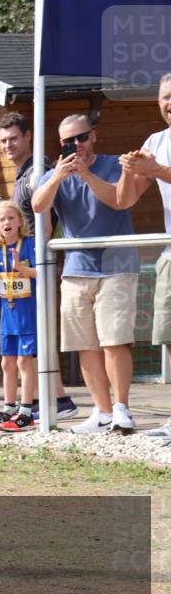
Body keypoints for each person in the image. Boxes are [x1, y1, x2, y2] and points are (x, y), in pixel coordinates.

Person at [32, 114, 139, 434]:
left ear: (94, 136)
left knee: (115, 340)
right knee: (84, 343)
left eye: (81, 138)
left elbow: (119, 202)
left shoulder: (114, 165)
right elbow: (38, 206)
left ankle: (121, 408)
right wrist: (56, 178)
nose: (75, 145)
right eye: (68, 142)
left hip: (116, 265)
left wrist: (86, 174)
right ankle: (102, 412)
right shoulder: (54, 174)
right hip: (77, 268)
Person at [0, 111, 79, 421]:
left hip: (36, 262)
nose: (8, 145)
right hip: (23, 264)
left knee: (34, 332)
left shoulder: (36, 172)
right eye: (3, 141)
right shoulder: (22, 173)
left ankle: (43, 402)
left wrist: (38, 260)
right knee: (37, 332)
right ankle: (58, 399)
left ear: (29, 136)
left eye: (14, 138)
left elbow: (45, 220)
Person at [114, 72, 171, 442]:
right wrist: (129, 170)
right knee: (169, 337)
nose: (170, 102)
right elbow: (125, 200)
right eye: (165, 96)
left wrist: (157, 170)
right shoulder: (156, 141)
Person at [0, 201, 39, 432]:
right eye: (1, 220)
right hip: (7, 318)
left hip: (28, 316)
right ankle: (8, 408)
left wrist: (24, 270)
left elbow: (43, 273)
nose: (6, 223)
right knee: (7, 363)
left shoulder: (30, 245)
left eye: (11, 218)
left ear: (20, 221)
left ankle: (27, 411)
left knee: (24, 361)